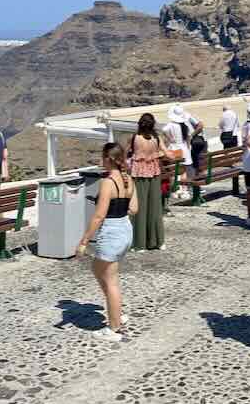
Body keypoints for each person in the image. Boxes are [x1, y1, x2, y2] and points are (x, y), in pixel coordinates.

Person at [77, 143, 138, 342]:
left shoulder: (107, 182)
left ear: (109, 159)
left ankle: (114, 327)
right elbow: (134, 208)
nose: (100, 161)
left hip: (111, 232)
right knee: (97, 268)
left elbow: (99, 216)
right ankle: (115, 310)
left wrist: (84, 240)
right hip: (125, 229)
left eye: (102, 157)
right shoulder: (128, 180)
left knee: (111, 281)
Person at [128, 113, 166, 252]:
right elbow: (168, 154)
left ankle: (139, 243)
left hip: (138, 174)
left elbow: (125, 153)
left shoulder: (133, 137)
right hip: (154, 173)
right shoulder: (157, 138)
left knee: (139, 207)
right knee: (155, 207)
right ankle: (158, 241)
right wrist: (155, 155)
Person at [162, 104, 202, 201]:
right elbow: (188, 138)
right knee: (184, 171)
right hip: (184, 148)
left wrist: (169, 138)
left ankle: (177, 190)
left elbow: (164, 130)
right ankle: (184, 190)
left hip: (175, 148)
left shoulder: (171, 125)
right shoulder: (184, 126)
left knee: (174, 171)